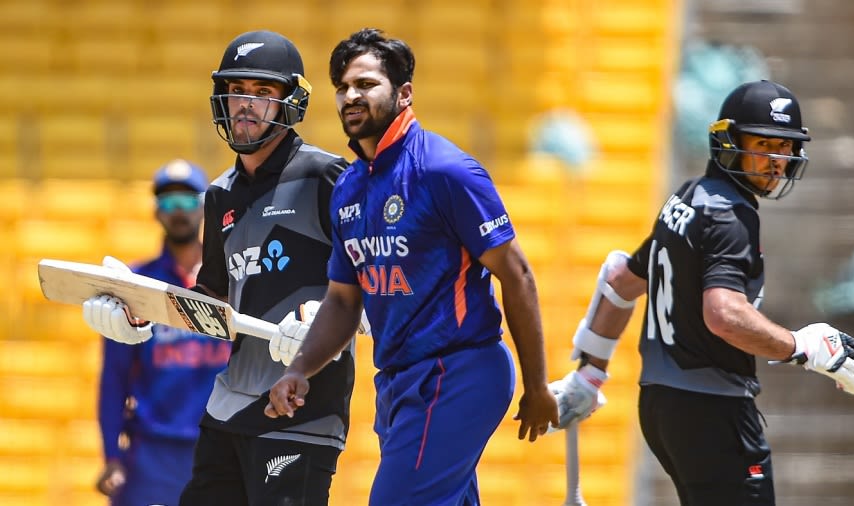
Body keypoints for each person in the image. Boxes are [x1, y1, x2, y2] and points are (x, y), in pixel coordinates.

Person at [264, 28, 559, 505]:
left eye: (365, 84)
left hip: (458, 373)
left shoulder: (444, 171)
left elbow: (517, 273)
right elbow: (342, 299)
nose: (350, 95)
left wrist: (538, 385)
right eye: (341, 87)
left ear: (404, 93)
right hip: (399, 385)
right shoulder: (349, 188)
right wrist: (300, 368)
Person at [547, 80, 854, 505]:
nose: (777, 161)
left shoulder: (688, 198)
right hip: (713, 411)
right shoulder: (731, 216)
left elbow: (620, 281)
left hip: (662, 408)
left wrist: (589, 375)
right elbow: (722, 314)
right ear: (728, 143)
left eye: (785, 147)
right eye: (763, 145)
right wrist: (800, 347)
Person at [82, 30, 353, 506]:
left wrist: (330, 318)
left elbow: (374, 276)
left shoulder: (326, 175)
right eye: (237, 92)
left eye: (262, 93)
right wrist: (141, 315)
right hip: (228, 408)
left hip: (302, 409)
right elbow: (212, 304)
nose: (245, 105)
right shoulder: (220, 194)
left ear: (291, 102)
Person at [93, 160, 231, 506]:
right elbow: (114, 378)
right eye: (168, 204)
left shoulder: (232, 280)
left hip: (222, 446)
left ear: (203, 207)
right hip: (152, 452)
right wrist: (112, 456)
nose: (178, 212)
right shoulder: (135, 284)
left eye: (186, 202)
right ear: (157, 212)